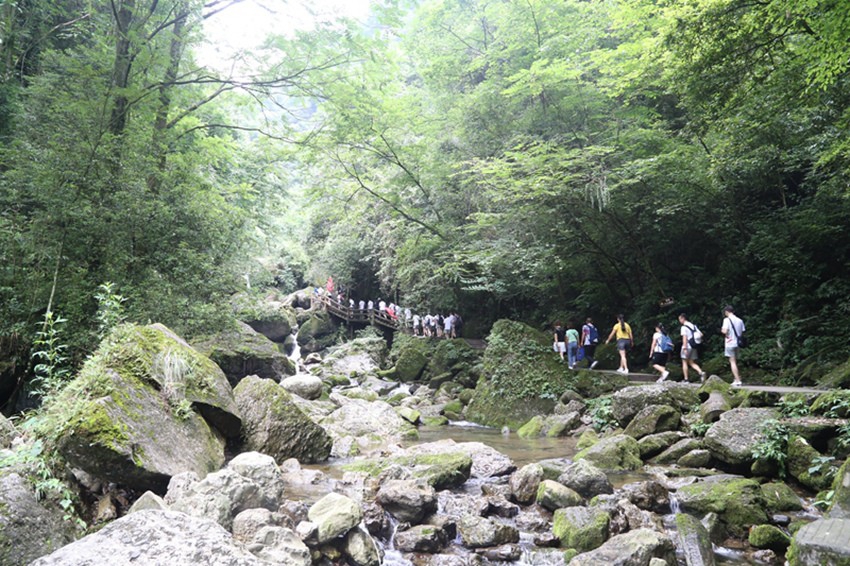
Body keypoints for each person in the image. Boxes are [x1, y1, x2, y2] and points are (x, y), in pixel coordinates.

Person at [721, 305, 746, 387]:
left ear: (727, 312)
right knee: (735, 361)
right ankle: (736, 378)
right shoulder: (740, 320)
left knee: (732, 361)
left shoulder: (726, 320)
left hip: (730, 343)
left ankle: (738, 381)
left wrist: (722, 330)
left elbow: (725, 331)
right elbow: (742, 332)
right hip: (737, 343)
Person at [678, 313, 706, 382]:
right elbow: (701, 334)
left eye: (680, 319)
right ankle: (701, 372)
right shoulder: (693, 326)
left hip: (687, 346)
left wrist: (684, 348)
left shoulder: (684, 327)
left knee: (684, 362)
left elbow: (684, 338)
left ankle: (686, 379)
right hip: (693, 345)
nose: (679, 321)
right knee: (691, 362)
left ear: (683, 318)